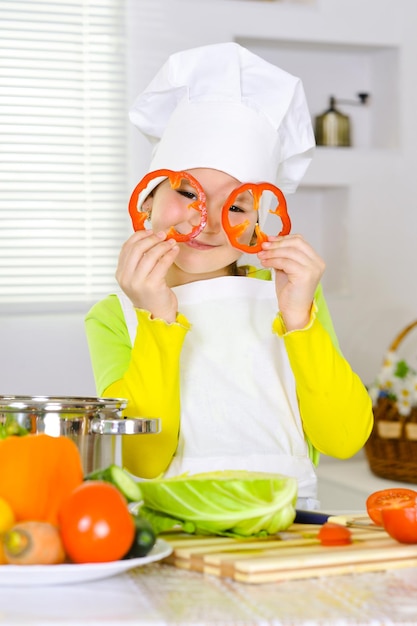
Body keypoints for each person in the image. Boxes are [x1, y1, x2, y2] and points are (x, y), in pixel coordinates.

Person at [85, 42, 373, 509]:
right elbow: (143, 459)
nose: (211, 221)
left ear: (257, 221)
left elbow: (343, 438)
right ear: (146, 201)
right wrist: (156, 317)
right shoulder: (114, 316)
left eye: (237, 204)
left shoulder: (290, 300)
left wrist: (300, 320)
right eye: (186, 192)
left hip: (290, 527)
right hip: (176, 532)